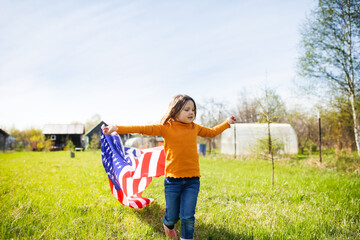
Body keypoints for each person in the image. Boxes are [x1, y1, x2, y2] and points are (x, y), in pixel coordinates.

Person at [102, 94, 236, 240]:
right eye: (186, 109)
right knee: (172, 217)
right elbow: (142, 129)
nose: (191, 112)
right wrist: (117, 128)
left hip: (192, 181)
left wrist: (227, 123)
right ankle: (167, 224)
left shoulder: (195, 128)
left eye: (193, 110)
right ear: (175, 111)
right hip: (173, 181)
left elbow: (211, 133)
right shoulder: (166, 128)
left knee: (188, 216)